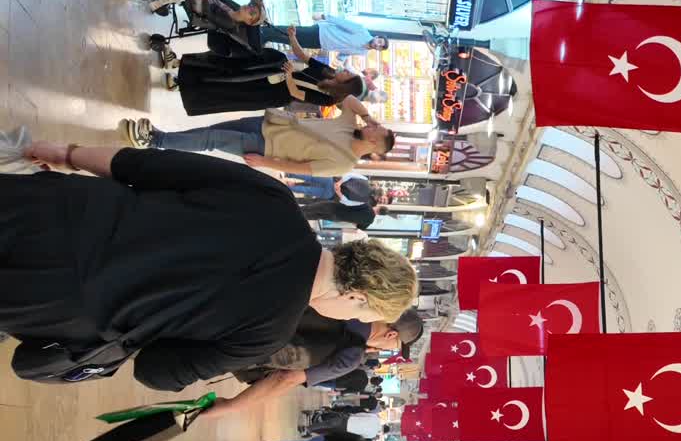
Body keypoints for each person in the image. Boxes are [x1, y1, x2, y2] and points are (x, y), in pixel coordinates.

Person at [2, 143, 415, 390]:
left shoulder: (273, 199)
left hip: (60, 208)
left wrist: (65, 153)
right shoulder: (265, 335)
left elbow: (144, 165)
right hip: (57, 297)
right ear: (357, 295)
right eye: (363, 314)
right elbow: (156, 372)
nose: (353, 319)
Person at [203, 309, 422, 420]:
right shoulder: (351, 356)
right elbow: (285, 378)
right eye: (395, 345)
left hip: (234, 313)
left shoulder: (350, 303)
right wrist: (233, 405)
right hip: (234, 351)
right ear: (391, 333)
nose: (389, 349)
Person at [125, 101, 394, 177]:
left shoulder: (343, 164)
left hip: (266, 146)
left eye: (376, 130)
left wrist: (266, 162)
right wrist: (369, 117)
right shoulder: (351, 126)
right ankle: (162, 138)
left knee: (210, 139)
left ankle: (155, 140)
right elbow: (347, 99)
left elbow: (301, 168)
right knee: (210, 131)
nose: (372, 126)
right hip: (269, 123)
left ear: (373, 144)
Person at [170, 49, 367, 116]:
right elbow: (304, 57)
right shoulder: (329, 72)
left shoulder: (329, 99)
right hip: (270, 73)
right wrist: (292, 36)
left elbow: (297, 94)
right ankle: (184, 70)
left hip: (271, 92)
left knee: (228, 90)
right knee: (229, 72)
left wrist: (289, 74)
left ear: (347, 84)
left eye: (349, 75)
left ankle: (183, 84)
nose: (347, 71)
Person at [261, 14, 390, 54]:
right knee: (292, 32)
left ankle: (267, 36)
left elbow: (346, 51)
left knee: (292, 41)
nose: (377, 45)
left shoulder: (363, 52)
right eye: (379, 42)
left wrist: (341, 61)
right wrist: (323, 16)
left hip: (321, 44)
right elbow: (342, 22)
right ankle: (264, 31)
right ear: (377, 37)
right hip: (321, 32)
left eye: (380, 46)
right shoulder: (362, 31)